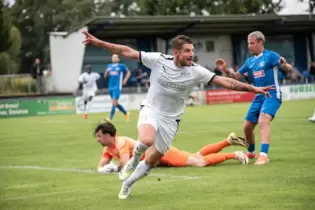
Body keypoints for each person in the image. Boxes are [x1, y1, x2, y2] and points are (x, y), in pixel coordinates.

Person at [82, 31, 273, 199]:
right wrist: (98, 42)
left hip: (171, 119)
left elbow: (227, 82)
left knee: (151, 161)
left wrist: (254, 88)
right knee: (146, 140)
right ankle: (132, 161)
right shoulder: (158, 60)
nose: (191, 54)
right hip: (151, 108)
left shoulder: (196, 71)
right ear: (176, 52)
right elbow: (125, 51)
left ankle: (127, 184)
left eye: (192, 51)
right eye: (187, 51)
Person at [215, 31, 293, 165]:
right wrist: (226, 70)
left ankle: (263, 156)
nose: (249, 46)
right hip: (258, 95)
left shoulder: (270, 55)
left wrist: (285, 65)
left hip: (272, 93)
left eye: (252, 43)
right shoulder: (250, 61)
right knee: (247, 127)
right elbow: (236, 77)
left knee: (263, 120)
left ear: (260, 43)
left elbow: (289, 69)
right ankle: (251, 153)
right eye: (248, 43)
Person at [94, 121, 249, 174]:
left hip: (163, 154)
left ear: (109, 135)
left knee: (199, 162)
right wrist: (103, 168)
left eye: (99, 136)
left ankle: (235, 154)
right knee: (197, 156)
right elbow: (101, 165)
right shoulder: (108, 148)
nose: (97, 139)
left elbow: (125, 163)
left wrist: (113, 168)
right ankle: (228, 141)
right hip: (160, 156)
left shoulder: (121, 142)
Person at [105, 54, 131, 121]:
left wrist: (125, 79)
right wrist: (107, 72)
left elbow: (128, 72)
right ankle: (126, 113)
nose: (113, 58)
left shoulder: (121, 66)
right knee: (116, 103)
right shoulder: (109, 66)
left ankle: (110, 118)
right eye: (113, 57)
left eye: (115, 57)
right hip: (110, 87)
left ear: (118, 59)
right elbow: (105, 77)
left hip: (117, 87)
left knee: (114, 102)